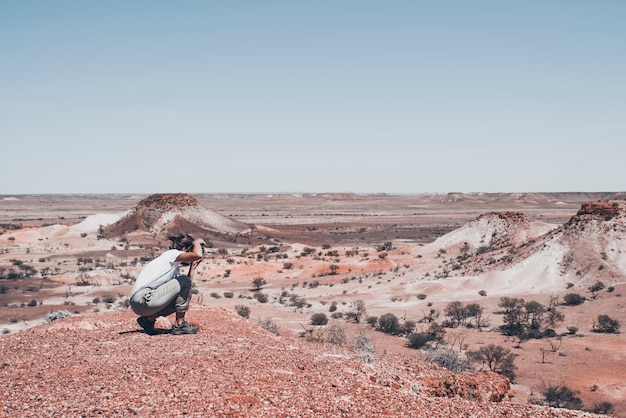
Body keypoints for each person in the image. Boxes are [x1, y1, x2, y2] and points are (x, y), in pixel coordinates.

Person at [129, 234, 205, 335]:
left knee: (179, 298)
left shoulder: (173, 267)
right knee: (184, 281)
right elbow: (197, 255)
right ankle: (180, 325)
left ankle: (148, 320)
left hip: (140, 303)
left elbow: (184, 291)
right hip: (143, 298)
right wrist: (196, 242)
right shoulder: (172, 254)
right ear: (184, 249)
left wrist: (192, 269)